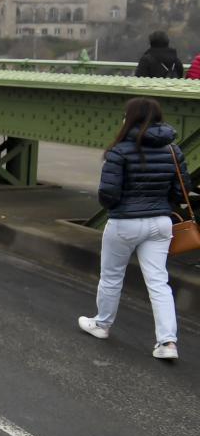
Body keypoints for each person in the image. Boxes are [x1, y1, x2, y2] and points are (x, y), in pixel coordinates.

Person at [79, 97, 193, 361]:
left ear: (129, 119)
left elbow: (108, 194)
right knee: (158, 281)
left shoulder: (120, 151)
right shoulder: (173, 151)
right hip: (161, 223)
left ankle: (102, 324)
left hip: (124, 222)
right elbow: (183, 190)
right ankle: (167, 342)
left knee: (111, 276)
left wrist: (124, 207)